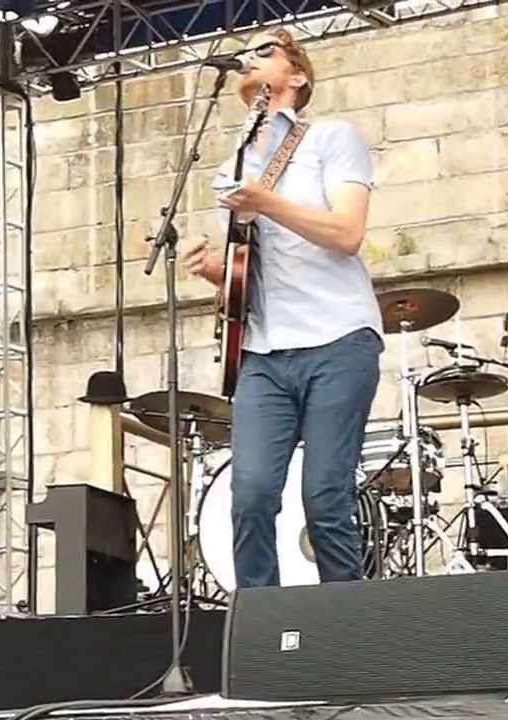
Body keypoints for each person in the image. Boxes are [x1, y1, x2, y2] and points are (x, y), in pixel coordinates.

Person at [182, 29, 383, 589]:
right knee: (248, 495)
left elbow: (346, 233)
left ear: (298, 75)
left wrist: (264, 200)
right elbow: (251, 275)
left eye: (265, 50)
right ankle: (259, 638)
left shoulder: (331, 138)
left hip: (338, 340)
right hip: (264, 353)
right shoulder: (234, 164)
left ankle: (348, 632)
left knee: (324, 497)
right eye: (244, 53)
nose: (249, 57)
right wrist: (214, 271)